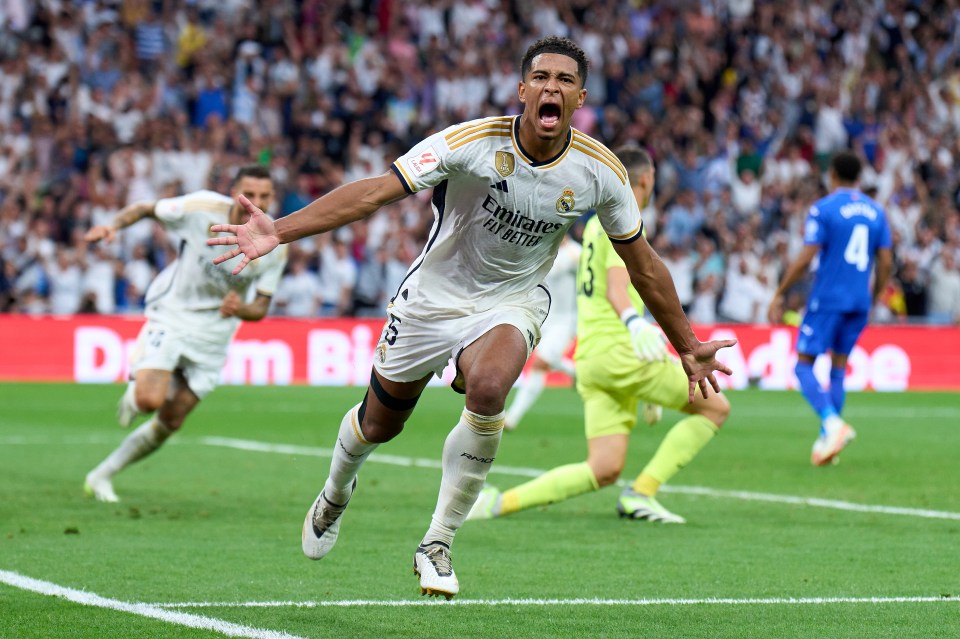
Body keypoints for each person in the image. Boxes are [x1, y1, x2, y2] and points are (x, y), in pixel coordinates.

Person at [207, 37, 735, 600]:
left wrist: (686, 342)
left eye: (563, 79)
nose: (550, 87)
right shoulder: (470, 142)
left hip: (514, 299)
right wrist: (279, 230)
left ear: (579, 97)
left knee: (489, 386)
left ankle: (437, 541)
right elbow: (376, 193)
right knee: (380, 424)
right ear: (522, 89)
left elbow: (643, 263)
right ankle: (336, 489)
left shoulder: (601, 172)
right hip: (434, 295)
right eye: (540, 77)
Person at [467, 146, 730, 525]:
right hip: (622, 353)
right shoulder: (623, 217)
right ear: (647, 177)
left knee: (603, 467)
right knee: (716, 407)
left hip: (592, 359)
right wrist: (636, 325)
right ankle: (642, 492)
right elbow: (616, 288)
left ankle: (497, 503)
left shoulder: (593, 223)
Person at [83, 165, 288, 502]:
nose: (256, 202)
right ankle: (140, 385)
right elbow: (147, 208)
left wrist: (239, 308)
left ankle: (102, 474)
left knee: (172, 420)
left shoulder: (276, 242)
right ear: (233, 190)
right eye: (249, 193)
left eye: (264, 196)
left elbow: (261, 307)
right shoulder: (201, 209)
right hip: (174, 314)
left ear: (273, 198)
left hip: (214, 335)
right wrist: (112, 226)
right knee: (149, 400)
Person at [767, 150, 892, 466]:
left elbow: (807, 256)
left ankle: (832, 424)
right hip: (859, 301)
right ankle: (829, 440)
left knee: (803, 365)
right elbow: (886, 261)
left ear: (832, 175)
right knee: (838, 368)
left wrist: (780, 292)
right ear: (859, 178)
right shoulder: (877, 212)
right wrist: (874, 295)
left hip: (828, 298)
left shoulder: (823, 209)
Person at [503, 233, 580, 431]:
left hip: (565, 322)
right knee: (538, 367)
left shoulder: (575, 253)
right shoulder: (543, 251)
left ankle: (512, 418)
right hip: (543, 318)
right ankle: (576, 372)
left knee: (541, 362)